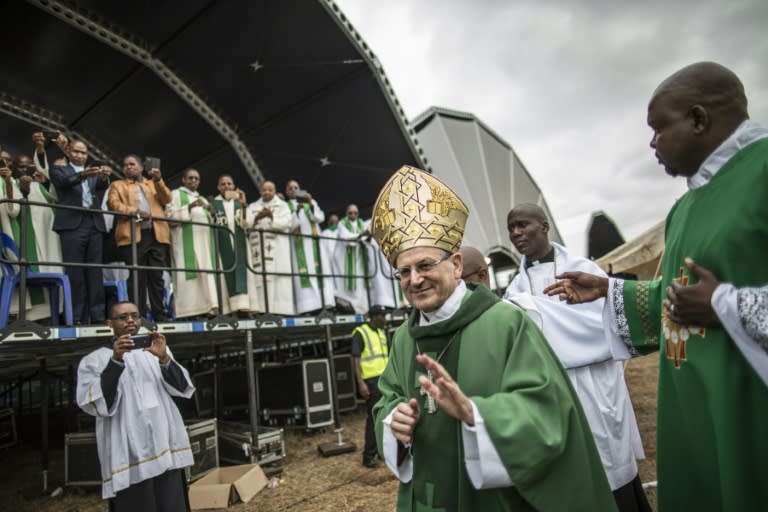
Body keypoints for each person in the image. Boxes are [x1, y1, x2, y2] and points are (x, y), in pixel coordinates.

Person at [544, 62, 768, 511]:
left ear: (699, 119)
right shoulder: (685, 206)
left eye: (658, 129)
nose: (651, 144)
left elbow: (709, 301)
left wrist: (727, 304)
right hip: (695, 409)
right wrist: (610, 290)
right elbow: (679, 294)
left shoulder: (762, 172)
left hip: (746, 409)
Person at [370, 165, 616, 511]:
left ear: (456, 264)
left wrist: (476, 414)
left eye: (425, 265)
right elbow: (387, 399)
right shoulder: (403, 340)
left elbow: (546, 410)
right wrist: (393, 419)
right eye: (404, 271)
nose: (415, 279)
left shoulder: (505, 323)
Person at [504, 203, 648, 511]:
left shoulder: (584, 270)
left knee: (609, 468)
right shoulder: (515, 288)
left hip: (594, 387)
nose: (516, 233)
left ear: (544, 226)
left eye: (522, 225)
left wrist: (536, 312)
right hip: (552, 393)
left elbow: (604, 327)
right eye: (511, 228)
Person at [76, 300, 193, 510]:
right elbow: (95, 403)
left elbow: (182, 388)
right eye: (122, 317)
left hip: (164, 444)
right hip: (129, 450)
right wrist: (116, 361)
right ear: (109, 323)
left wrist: (164, 357)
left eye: (135, 316)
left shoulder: (154, 350)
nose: (130, 320)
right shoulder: (95, 360)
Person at [50, 139, 111, 324]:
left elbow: (102, 186)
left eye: (84, 153)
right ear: (68, 152)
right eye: (76, 152)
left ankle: (98, 316)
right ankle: (76, 316)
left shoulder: (92, 172)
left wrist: (105, 176)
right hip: (72, 224)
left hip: (93, 223)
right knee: (75, 271)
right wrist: (84, 174)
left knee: (95, 271)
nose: (80, 155)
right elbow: (63, 183)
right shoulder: (59, 168)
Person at [108, 155, 172, 322]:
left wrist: (159, 180)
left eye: (132, 164)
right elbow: (113, 204)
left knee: (156, 276)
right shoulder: (117, 185)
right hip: (133, 235)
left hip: (156, 234)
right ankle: (139, 315)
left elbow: (167, 199)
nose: (128, 167)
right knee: (138, 276)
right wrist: (134, 212)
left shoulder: (152, 183)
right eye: (125, 165)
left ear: (141, 167)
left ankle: (160, 313)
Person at [165, 168, 219, 319]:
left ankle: (207, 309)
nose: (193, 181)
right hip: (184, 244)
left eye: (196, 178)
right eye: (190, 178)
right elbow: (169, 217)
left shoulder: (203, 198)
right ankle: (188, 312)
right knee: (188, 277)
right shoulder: (176, 194)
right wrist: (188, 207)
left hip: (204, 245)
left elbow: (212, 222)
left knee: (206, 275)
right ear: (183, 180)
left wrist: (212, 213)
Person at [212, 174, 259, 317]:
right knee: (225, 275)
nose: (226, 186)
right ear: (218, 187)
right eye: (223, 184)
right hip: (222, 247)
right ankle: (228, 310)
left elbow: (247, 224)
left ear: (234, 186)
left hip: (240, 245)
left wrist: (244, 205)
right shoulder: (214, 204)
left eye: (229, 184)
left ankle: (244, 307)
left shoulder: (239, 203)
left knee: (243, 273)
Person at [285, 180, 335, 314]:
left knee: (320, 272)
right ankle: (307, 307)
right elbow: (287, 224)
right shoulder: (285, 206)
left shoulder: (310, 203)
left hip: (314, 244)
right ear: (287, 192)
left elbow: (320, 218)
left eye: (296, 187)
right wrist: (297, 210)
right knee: (303, 276)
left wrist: (311, 203)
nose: (293, 189)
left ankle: (324, 304)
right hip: (299, 246)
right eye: (290, 188)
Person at [248, 180, 295, 316]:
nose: (267, 192)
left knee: (279, 278)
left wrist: (271, 216)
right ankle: (261, 310)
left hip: (278, 249)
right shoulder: (253, 206)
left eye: (270, 190)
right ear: (260, 191)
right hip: (259, 249)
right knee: (261, 278)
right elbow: (247, 224)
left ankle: (281, 310)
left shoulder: (283, 205)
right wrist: (257, 218)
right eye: (264, 190)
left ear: (274, 191)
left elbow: (287, 223)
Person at [351, 304, 389, 468]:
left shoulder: (381, 333)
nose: (385, 319)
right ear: (374, 317)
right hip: (371, 382)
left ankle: (382, 451)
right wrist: (360, 383)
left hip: (384, 381)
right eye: (382, 316)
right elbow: (355, 358)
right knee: (374, 419)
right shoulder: (361, 332)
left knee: (385, 417)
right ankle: (368, 456)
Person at [333, 204, 369, 314]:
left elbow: (366, 237)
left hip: (358, 257)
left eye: (355, 213)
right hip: (346, 259)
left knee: (360, 283)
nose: (353, 215)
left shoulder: (361, 223)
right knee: (348, 285)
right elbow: (346, 236)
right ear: (346, 214)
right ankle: (349, 307)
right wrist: (361, 235)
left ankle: (361, 309)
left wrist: (363, 236)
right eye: (350, 213)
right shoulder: (342, 224)